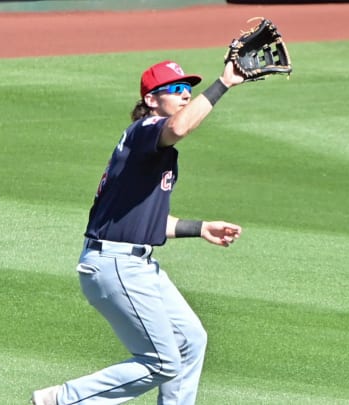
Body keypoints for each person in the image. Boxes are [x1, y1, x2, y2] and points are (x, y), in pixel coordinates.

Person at [31, 59, 246, 405]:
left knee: (192, 339)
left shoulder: (152, 154)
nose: (185, 95)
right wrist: (223, 83)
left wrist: (200, 228)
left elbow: (144, 222)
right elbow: (178, 128)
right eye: (176, 90)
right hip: (115, 264)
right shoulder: (146, 129)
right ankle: (63, 400)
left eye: (188, 89)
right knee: (162, 361)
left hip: (135, 262)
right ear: (150, 100)